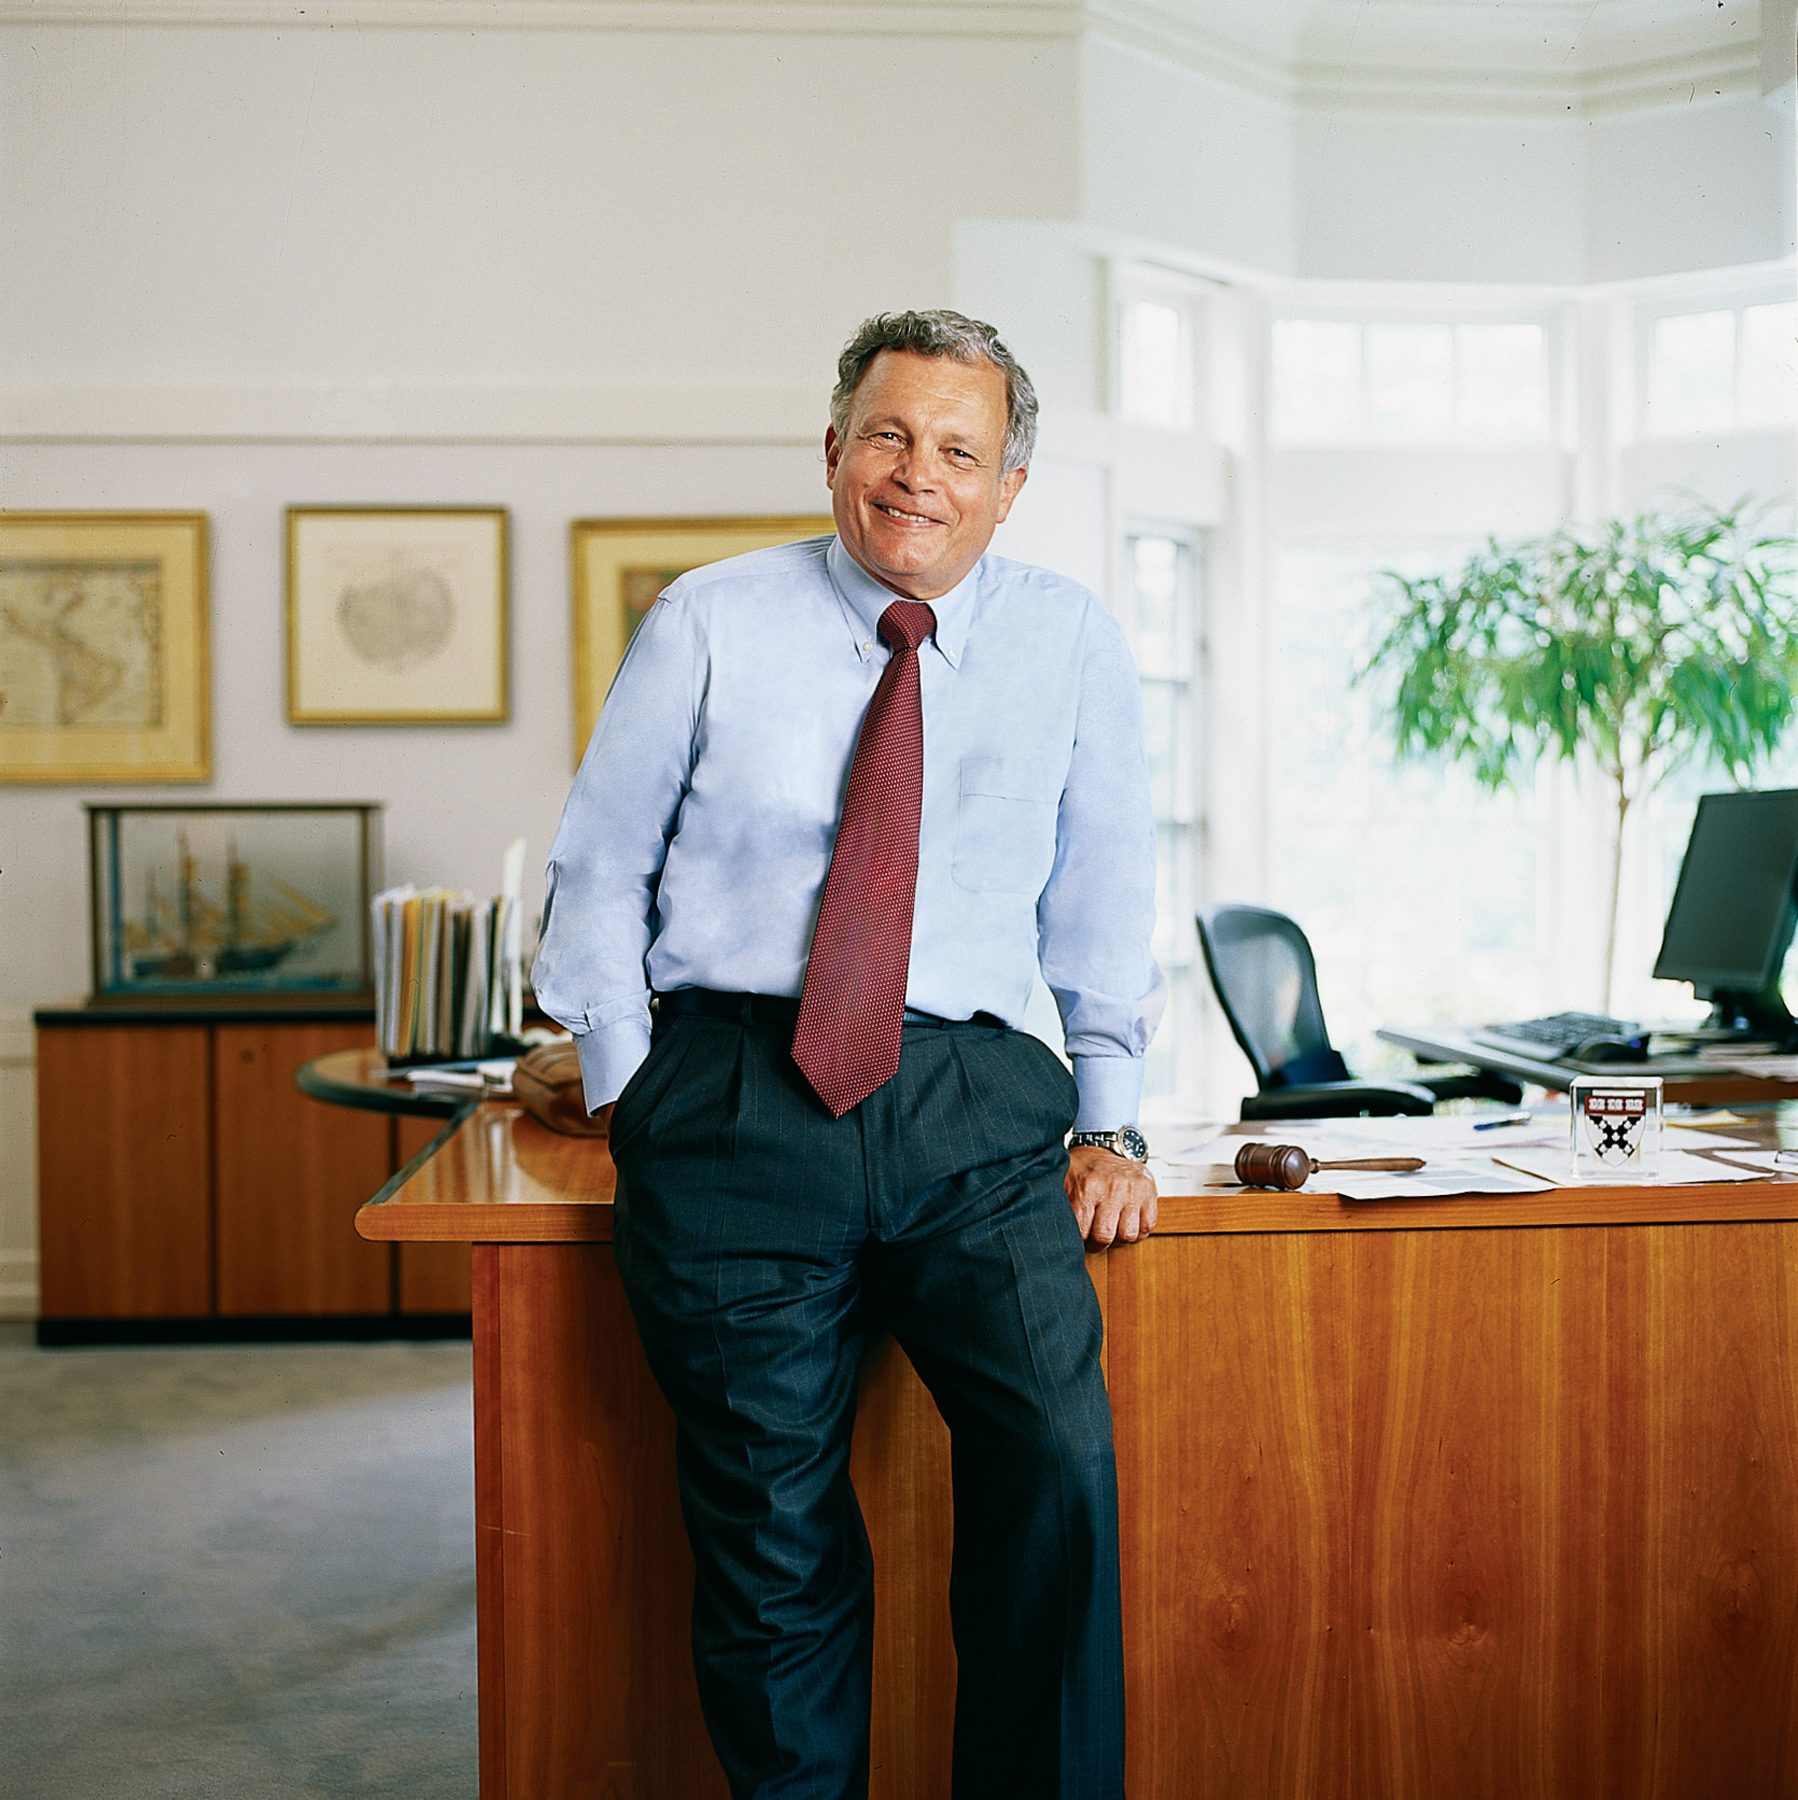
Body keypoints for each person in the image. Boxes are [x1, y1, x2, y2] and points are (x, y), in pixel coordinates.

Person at [533, 309, 1165, 1800]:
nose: (914, 475)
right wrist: (633, 1092)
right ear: (832, 450)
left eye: (958, 449)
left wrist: (1114, 1115)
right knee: (770, 1533)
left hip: (970, 1105)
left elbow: (1102, 888)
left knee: (1059, 1472)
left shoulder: (1069, 637)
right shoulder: (706, 619)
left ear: (1009, 484)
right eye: (886, 435)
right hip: (736, 1097)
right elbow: (599, 868)